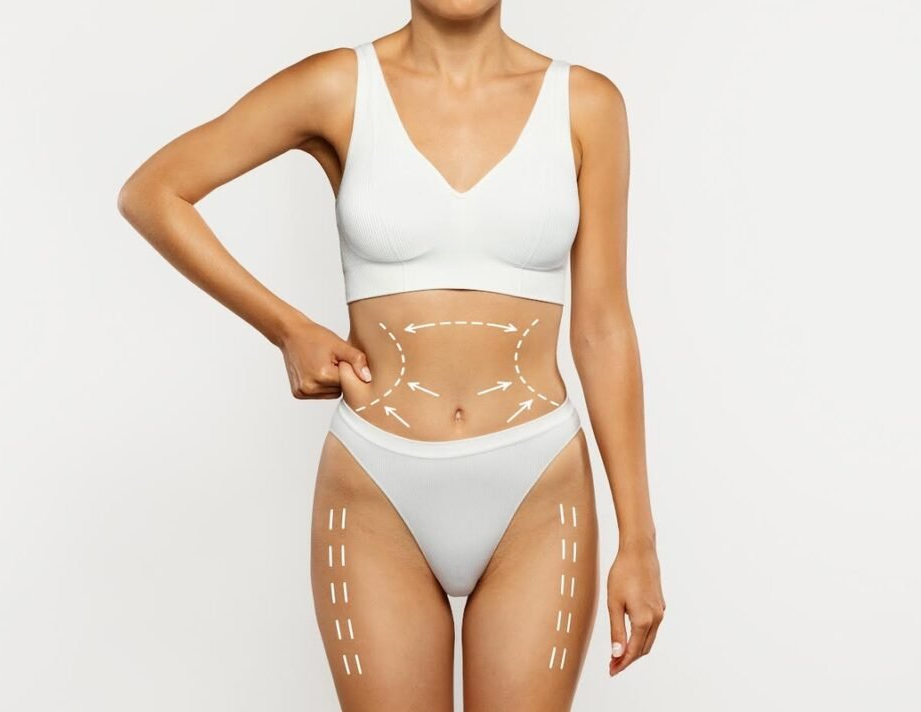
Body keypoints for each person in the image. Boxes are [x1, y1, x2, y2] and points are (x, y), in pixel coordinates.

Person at [117, 2, 664, 709]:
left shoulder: (586, 104)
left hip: (539, 490)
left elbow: (602, 328)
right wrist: (286, 328)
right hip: (376, 490)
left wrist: (638, 540)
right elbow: (154, 192)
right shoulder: (337, 87)